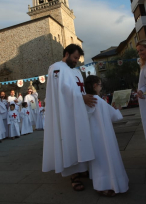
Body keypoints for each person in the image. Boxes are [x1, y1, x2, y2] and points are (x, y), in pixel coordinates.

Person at [43, 44, 97, 191]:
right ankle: (73, 175)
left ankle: (81, 168)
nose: (76, 61)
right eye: (74, 58)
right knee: (70, 140)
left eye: (78, 59)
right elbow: (61, 91)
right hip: (65, 113)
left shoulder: (77, 72)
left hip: (79, 111)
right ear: (66, 54)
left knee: (80, 139)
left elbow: (80, 88)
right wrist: (81, 98)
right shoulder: (56, 68)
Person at [84, 75, 129, 196]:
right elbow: (115, 116)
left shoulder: (87, 101)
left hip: (93, 136)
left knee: (99, 161)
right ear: (95, 86)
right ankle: (104, 186)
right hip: (104, 136)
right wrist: (118, 109)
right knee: (105, 160)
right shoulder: (98, 100)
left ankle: (101, 184)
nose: (100, 87)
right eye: (100, 85)